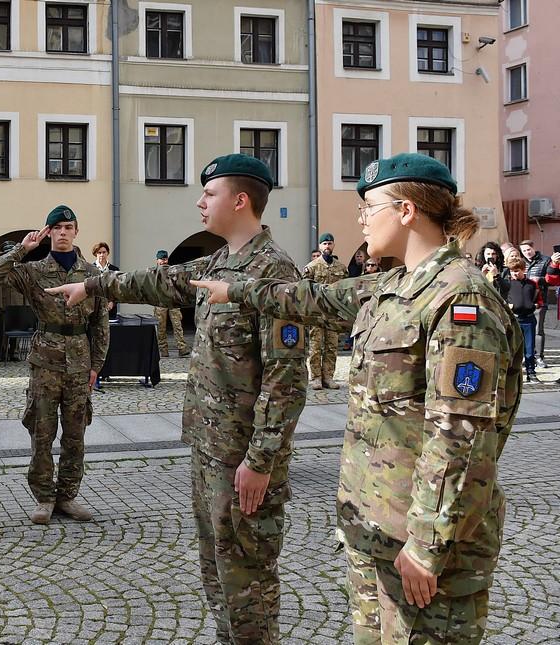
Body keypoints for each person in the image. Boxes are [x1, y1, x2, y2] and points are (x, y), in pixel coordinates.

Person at [193, 153, 522, 644]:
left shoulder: (459, 298)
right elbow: (310, 300)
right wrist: (235, 290)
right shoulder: (392, 285)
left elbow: (461, 437)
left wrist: (429, 544)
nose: (362, 219)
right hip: (374, 526)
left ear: (407, 211)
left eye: (369, 207)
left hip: (423, 541)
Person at [46, 155, 307, 643]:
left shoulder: (274, 273)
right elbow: (159, 282)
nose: (200, 201)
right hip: (209, 449)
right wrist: (93, 284)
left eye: (209, 193)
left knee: (248, 578)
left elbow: (287, 379)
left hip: (243, 459)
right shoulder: (220, 261)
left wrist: (262, 459)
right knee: (217, 569)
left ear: (240, 199)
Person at [0, 205, 109, 526]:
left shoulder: (92, 275)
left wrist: (97, 364)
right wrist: (22, 249)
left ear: (77, 231)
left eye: (69, 227)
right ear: (48, 233)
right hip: (44, 362)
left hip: (80, 362)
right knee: (42, 431)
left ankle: (67, 495)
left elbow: (100, 323)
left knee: (75, 433)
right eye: (57, 228)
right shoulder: (34, 270)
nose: (63, 232)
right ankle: (44, 496)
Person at [303, 233, 348, 389]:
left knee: (331, 346)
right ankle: (315, 377)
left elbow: (345, 291)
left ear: (333, 245)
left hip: (333, 314)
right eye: (324, 244)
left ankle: (328, 377)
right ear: (320, 246)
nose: (327, 246)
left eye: (329, 243)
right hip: (317, 313)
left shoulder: (341, 268)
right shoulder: (312, 267)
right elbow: (305, 290)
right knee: (315, 346)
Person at [505, 255, 543, 382]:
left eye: (517, 270)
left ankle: (531, 372)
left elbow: (539, 299)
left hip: (528, 320)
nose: (514, 273)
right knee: (513, 348)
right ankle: (512, 374)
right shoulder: (508, 284)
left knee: (529, 349)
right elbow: (501, 298)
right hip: (514, 320)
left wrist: (536, 305)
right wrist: (507, 305)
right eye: (512, 271)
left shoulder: (532, 284)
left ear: (523, 269)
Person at [519, 240, 550, 369]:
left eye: (528, 249)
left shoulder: (545, 260)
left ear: (533, 248)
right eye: (524, 251)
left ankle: (539, 358)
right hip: (523, 302)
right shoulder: (521, 262)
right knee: (524, 331)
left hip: (539, 301)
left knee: (538, 330)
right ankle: (527, 357)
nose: (527, 252)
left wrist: (540, 280)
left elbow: (552, 278)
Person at [152, 250, 189, 358]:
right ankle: (163, 350)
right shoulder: (154, 272)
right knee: (161, 326)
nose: (164, 261)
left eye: (165, 259)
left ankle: (182, 348)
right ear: (157, 260)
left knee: (177, 324)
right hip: (160, 302)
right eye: (161, 259)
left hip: (173, 301)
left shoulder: (173, 271)